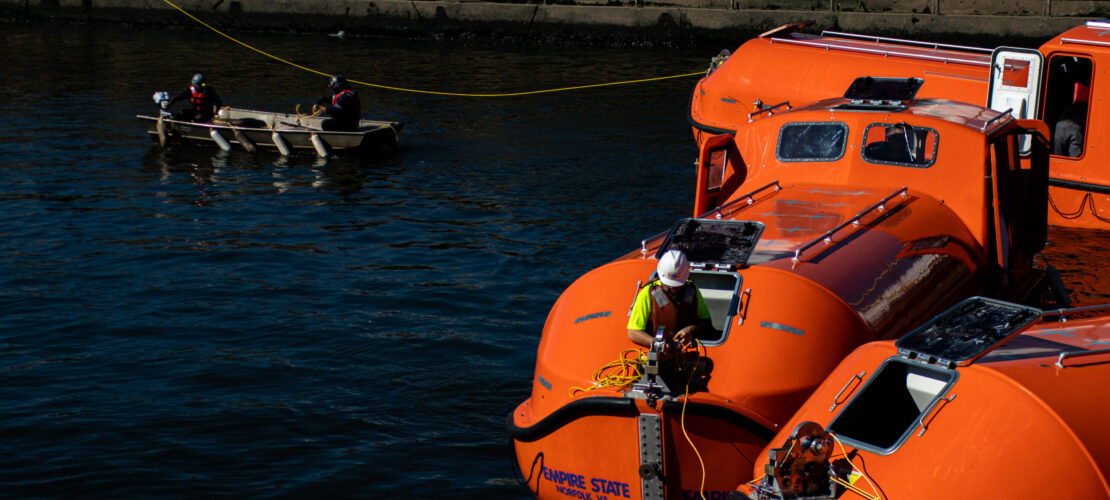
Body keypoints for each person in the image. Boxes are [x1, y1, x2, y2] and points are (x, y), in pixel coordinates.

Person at [627, 250, 712, 350]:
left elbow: (706, 322)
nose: (673, 288)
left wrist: (691, 330)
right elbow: (633, 332)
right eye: (669, 284)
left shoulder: (691, 290)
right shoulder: (648, 293)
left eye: (677, 284)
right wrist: (658, 345)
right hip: (660, 350)